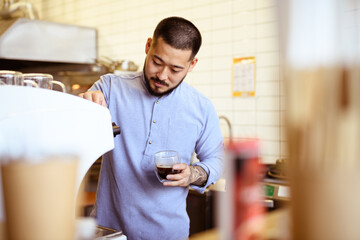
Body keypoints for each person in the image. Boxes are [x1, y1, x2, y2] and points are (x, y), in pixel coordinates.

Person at [79, 16, 224, 240]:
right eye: (157, 62)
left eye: (175, 69)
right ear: (148, 46)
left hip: (168, 235)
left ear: (192, 65)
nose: (162, 76)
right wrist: (83, 106)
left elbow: (217, 159)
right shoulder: (110, 88)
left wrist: (193, 174)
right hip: (111, 233)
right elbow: (74, 131)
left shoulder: (202, 108)